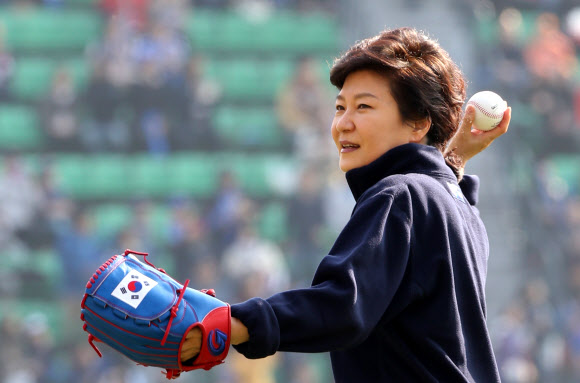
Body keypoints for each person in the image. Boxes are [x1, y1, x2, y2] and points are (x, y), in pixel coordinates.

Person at [181, 27, 512, 382]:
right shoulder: (461, 207)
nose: (342, 124)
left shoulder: (398, 196)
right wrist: (454, 158)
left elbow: (344, 306)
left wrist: (230, 326)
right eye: (340, 107)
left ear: (417, 123)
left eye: (363, 106)